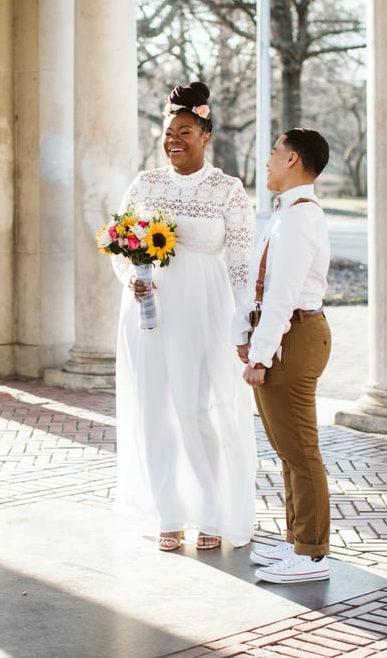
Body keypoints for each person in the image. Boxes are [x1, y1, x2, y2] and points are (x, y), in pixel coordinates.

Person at [113, 81, 257, 552]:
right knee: (155, 409)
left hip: (205, 310)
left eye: (186, 131)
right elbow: (119, 245)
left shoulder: (227, 190)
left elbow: (240, 262)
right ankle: (168, 513)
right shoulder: (145, 183)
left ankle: (212, 511)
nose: (174, 139)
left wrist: (245, 319)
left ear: (206, 135)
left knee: (199, 409)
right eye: (169, 132)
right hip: (149, 310)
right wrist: (130, 278)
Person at [236, 127, 333, 583]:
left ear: (293, 160)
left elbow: (282, 295)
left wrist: (259, 355)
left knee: (300, 449)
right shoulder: (286, 213)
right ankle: (299, 543)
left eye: (275, 152)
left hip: (293, 336)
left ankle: (312, 555)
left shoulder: (299, 217)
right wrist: (247, 335)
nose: (269, 159)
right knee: (288, 449)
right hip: (285, 335)